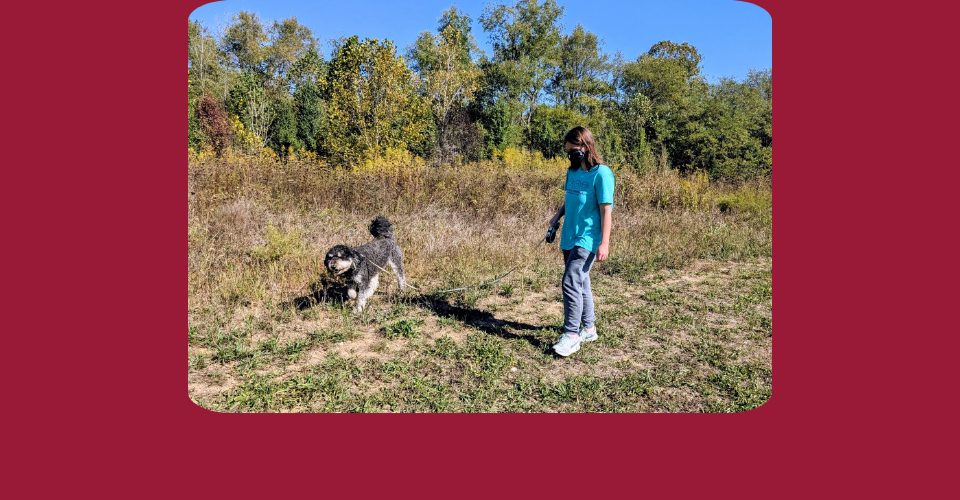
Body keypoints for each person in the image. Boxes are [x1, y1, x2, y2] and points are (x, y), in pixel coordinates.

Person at [547, 126, 614, 357]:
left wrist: (604, 243)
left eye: (573, 150)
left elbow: (607, 211)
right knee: (581, 283)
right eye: (567, 151)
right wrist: (556, 218)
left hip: (588, 237)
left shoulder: (602, 174)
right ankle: (589, 329)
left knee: (570, 280)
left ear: (586, 147)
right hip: (569, 235)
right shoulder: (573, 172)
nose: (570, 154)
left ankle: (572, 336)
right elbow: (571, 199)